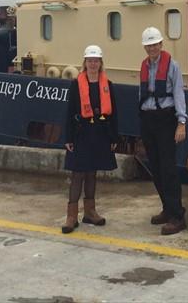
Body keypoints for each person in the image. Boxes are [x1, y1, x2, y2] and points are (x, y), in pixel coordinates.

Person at [61, 44, 118, 234]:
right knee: (78, 173)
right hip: (81, 133)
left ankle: (90, 212)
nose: (93, 63)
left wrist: (114, 137)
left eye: (96, 60)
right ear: (85, 62)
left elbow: (113, 113)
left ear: (100, 63)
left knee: (92, 172)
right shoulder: (76, 84)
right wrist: (68, 137)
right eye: (90, 60)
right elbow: (69, 112)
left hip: (100, 133)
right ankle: (71, 216)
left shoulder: (107, 85)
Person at [138, 26, 187, 235]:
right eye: (148, 45)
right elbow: (141, 93)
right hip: (148, 119)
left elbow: (178, 93)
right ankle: (167, 209)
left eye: (155, 44)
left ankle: (178, 216)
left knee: (168, 169)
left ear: (161, 45)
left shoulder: (172, 66)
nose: (152, 48)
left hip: (166, 119)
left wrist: (181, 122)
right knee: (155, 167)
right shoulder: (144, 66)